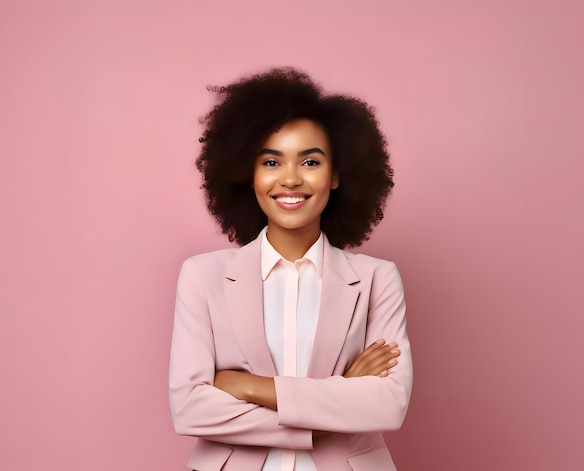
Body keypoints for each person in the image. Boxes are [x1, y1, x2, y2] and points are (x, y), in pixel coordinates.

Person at [169, 67, 412, 471]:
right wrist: (337, 401)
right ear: (249, 174)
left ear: (336, 175)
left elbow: (388, 405)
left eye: (311, 161)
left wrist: (249, 387)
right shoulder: (202, 276)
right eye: (271, 161)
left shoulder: (376, 278)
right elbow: (191, 409)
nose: (291, 179)